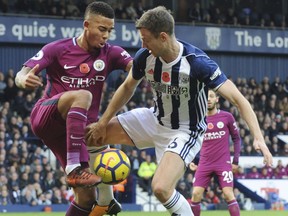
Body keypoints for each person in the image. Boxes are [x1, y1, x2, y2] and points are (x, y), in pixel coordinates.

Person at [85, 6, 273, 215]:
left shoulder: (197, 63)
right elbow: (128, 87)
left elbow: (239, 100)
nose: (142, 44)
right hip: (154, 119)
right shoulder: (145, 57)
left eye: (146, 39)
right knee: (92, 136)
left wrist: (258, 138)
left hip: (185, 130)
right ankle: (106, 201)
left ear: (163, 37)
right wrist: (103, 122)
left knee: (161, 188)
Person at [14, 2, 133, 216]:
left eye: (109, 31)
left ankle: (101, 196)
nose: (106, 35)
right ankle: (74, 168)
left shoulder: (111, 53)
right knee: (83, 95)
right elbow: (22, 74)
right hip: (47, 117)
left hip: (73, 133)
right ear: (87, 25)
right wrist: (24, 79)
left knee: (87, 198)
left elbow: (137, 69)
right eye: (102, 29)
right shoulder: (58, 49)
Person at [190, 89, 241, 216]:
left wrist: (235, 161)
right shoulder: (197, 119)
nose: (208, 99)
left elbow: (236, 138)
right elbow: (191, 140)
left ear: (217, 99)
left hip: (222, 163)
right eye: (206, 97)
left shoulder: (227, 116)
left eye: (212, 96)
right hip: (204, 163)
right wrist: (191, 160)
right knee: (195, 194)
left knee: (228, 194)